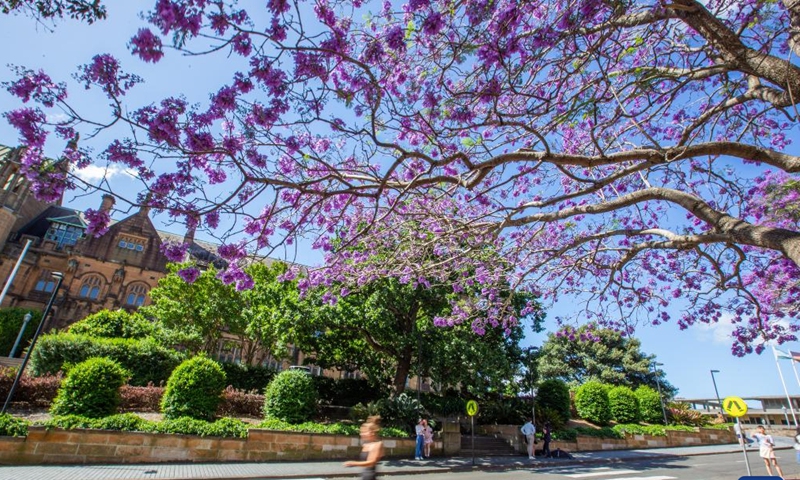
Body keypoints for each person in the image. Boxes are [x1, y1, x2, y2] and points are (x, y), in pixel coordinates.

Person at [344, 416, 384, 480]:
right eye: (361, 432)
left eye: (364, 432)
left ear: (372, 433)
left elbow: (371, 462)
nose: (361, 434)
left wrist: (354, 463)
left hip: (370, 477)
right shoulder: (365, 445)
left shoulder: (377, 444)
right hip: (365, 476)